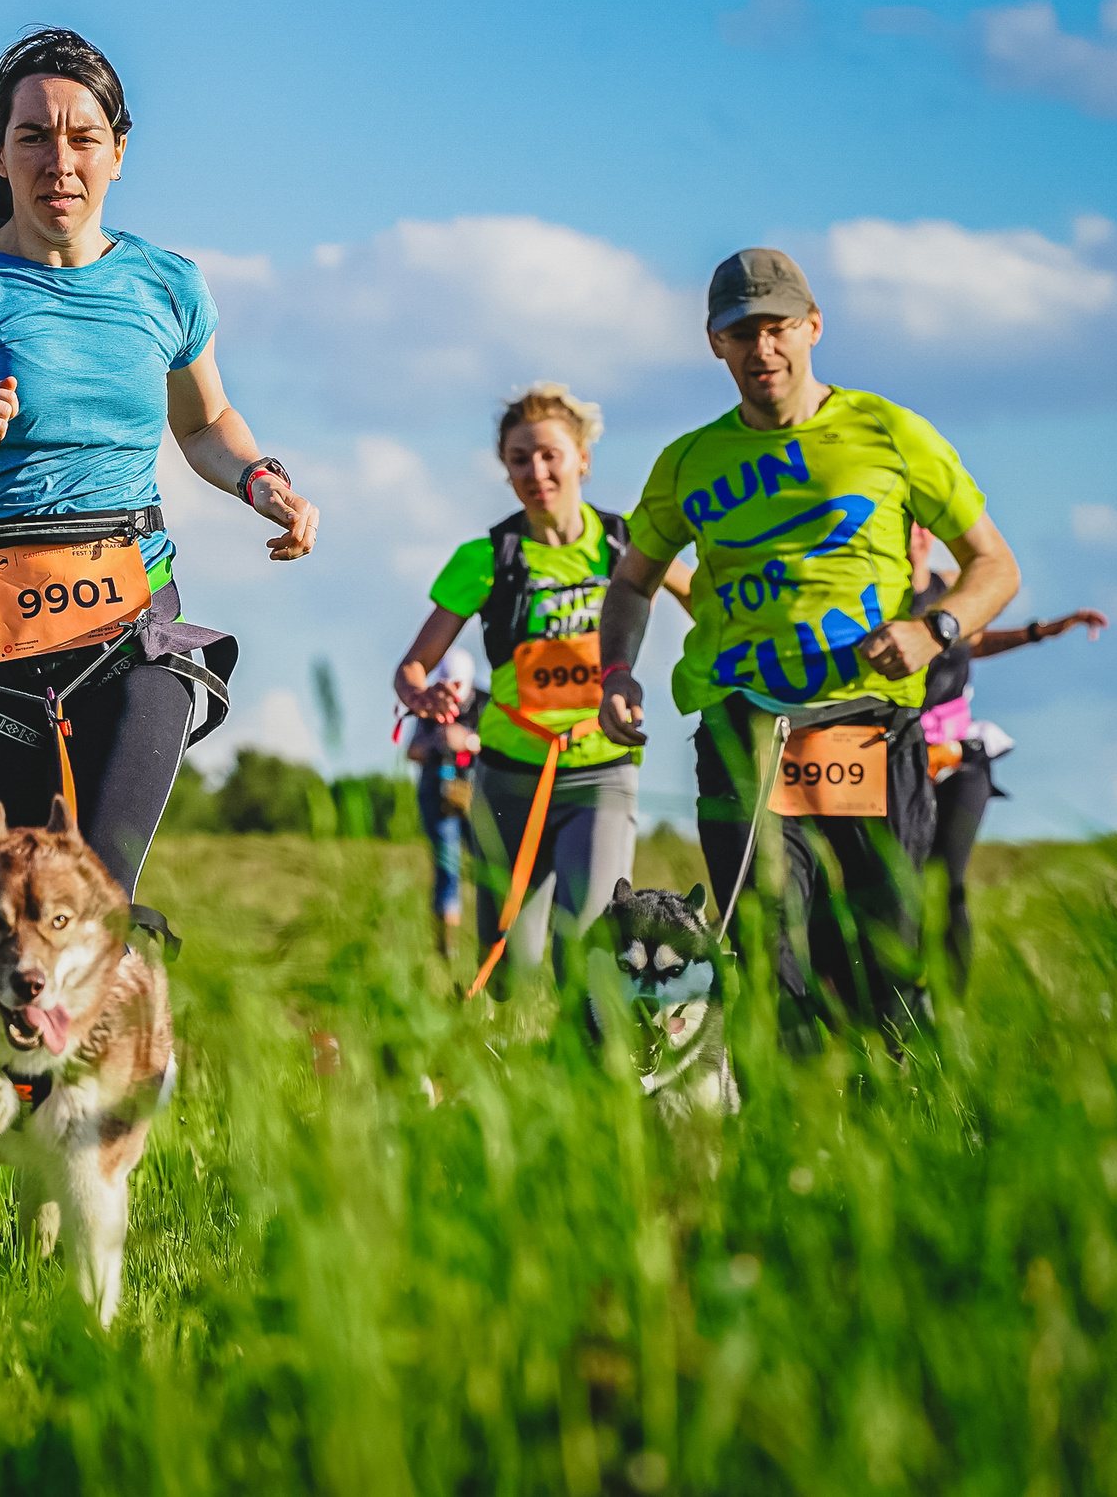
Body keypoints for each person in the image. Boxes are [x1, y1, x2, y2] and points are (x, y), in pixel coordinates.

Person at [0, 28, 318, 896]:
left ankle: (124, 988)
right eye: (34, 137)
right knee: (11, 921)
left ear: (118, 152)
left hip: (131, 633)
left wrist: (259, 480)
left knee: (95, 901)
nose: (60, 162)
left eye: (84, 137)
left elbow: (206, 423)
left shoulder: (167, 285)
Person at [597, 248, 1022, 1050]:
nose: (762, 348)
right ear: (716, 343)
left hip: (869, 728)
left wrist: (934, 629)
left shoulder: (889, 432)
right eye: (741, 332)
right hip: (744, 728)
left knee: (884, 957)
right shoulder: (688, 461)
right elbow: (631, 583)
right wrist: (615, 671)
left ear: (813, 326)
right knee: (768, 955)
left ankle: (900, 1104)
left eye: (778, 327)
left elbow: (994, 565)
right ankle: (793, 1113)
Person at [393, 384, 694, 991]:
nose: (536, 472)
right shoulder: (486, 557)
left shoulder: (628, 544)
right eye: (520, 459)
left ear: (583, 458)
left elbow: (710, 607)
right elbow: (414, 667)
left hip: (602, 770)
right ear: (505, 470)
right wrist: (421, 695)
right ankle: (504, 1042)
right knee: (511, 963)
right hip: (510, 774)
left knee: (585, 944)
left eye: (550, 455)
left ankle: (583, 1048)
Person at [909, 522, 1107, 990]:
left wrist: (1040, 632)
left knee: (948, 879)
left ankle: (949, 1006)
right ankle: (893, 996)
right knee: (901, 878)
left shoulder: (952, 586)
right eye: (907, 521)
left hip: (961, 754)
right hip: (900, 755)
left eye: (923, 522)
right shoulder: (879, 595)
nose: (917, 532)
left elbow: (974, 642)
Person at [401, 647, 484, 957]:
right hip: (438, 794)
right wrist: (437, 742)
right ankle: (446, 949)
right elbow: (412, 751)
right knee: (448, 866)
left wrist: (468, 741)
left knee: (492, 865)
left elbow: (504, 745)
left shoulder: (487, 704)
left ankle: (497, 943)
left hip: (480, 796)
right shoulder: (430, 704)